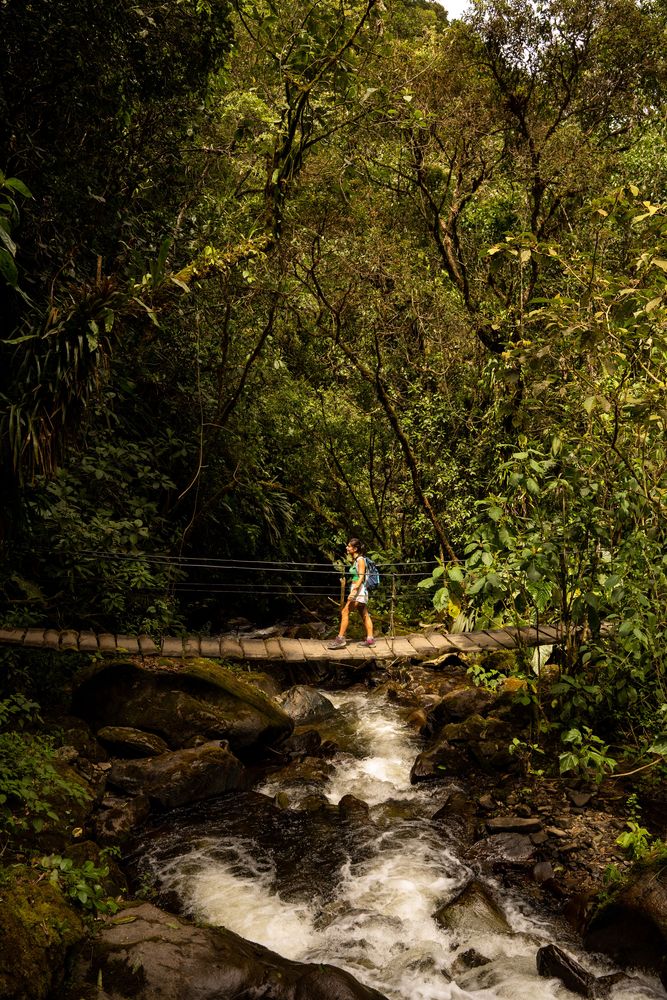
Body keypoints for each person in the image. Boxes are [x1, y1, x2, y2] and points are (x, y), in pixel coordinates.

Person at [327, 538, 376, 648]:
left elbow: (361, 577)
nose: (347, 548)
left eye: (349, 546)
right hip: (358, 589)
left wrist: (354, 592)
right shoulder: (356, 559)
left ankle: (340, 639)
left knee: (345, 611)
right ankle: (370, 640)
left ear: (355, 548)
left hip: (359, 589)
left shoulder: (360, 560)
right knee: (364, 614)